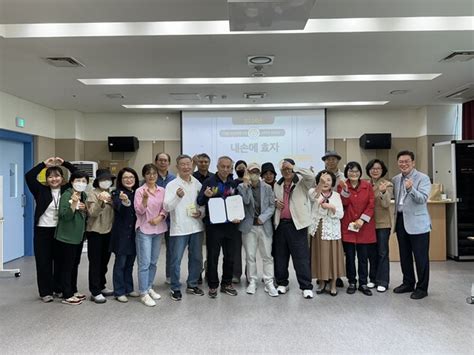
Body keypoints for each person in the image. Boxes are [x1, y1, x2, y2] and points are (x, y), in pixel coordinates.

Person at [25, 157, 77, 303]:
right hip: (43, 231)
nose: (54, 179)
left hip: (61, 230)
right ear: (47, 179)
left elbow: (78, 174)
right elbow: (29, 176)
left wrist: (65, 163)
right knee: (43, 262)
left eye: (57, 176)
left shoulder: (67, 189)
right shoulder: (40, 190)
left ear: (62, 177)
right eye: (50, 176)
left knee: (60, 261)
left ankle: (58, 288)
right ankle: (45, 292)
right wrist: (43, 164)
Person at [197, 156, 241, 298]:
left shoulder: (233, 183)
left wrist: (238, 216)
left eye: (228, 167)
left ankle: (227, 283)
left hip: (231, 226)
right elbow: (200, 201)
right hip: (214, 226)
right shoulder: (209, 182)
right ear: (217, 166)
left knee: (230, 256)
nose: (225, 169)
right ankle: (213, 285)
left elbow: (237, 203)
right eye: (223, 166)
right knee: (213, 256)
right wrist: (205, 195)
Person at [164, 155, 205, 301]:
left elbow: (202, 203)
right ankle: (175, 287)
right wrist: (177, 197)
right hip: (179, 228)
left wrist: (202, 212)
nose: (186, 167)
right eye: (183, 164)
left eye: (188, 164)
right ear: (177, 166)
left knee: (196, 258)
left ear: (192, 165)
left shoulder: (197, 183)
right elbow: (167, 207)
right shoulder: (172, 185)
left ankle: (192, 284)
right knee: (175, 259)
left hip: (196, 226)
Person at [392, 150, 431, 300]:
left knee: (421, 257)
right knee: (405, 255)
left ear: (413, 162)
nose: (404, 164)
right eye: (401, 162)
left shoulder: (423, 178)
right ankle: (408, 283)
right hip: (401, 220)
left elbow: (422, 199)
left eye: (407, 161)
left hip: (418, 223)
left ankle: (422, 288)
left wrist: (410, 189)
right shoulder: (396, 179)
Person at [273, 158, 314, 299]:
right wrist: (274, 202)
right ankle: (282, 283)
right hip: (281, 224)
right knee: (280, 256)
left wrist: (295, 167)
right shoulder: (277, 185)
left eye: (289, 168)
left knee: (301, 257)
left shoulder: (302, 182)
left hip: (297, 225)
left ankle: (306, 286)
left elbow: (312, 176)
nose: (286, 171)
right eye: (284, 169)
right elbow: (274, 199)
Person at [237, 163, 278, 297]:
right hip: (249, 227)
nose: (254, 173)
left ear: (260, 173)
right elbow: (246, 202)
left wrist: (263, 217)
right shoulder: (241, 187)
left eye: (256, 171)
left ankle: (269, 281)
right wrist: (246, 185)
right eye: (251, 171)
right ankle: (252, 281)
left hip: (264, 226)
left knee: (267, 256)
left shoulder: (267, 187)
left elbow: (272, 206)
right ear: (247, 172)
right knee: (250, 256)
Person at [338, 161, 376, 296]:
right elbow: (343, 204)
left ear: (360, 173)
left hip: (364, 226)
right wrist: (345, 192)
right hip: (348, 226)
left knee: (363, 256)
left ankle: (363, 282)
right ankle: (352, 282)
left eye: (356, 171)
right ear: (347, 173)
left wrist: (362, 219)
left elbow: (371, 205)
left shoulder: (367, 185)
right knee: (349, 256)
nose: (353, 174)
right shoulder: (342, 186)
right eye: (351, 171)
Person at [134, 164, 168, 307]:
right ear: (144, 175)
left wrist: (160, 217)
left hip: (158, 229)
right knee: (144, 263)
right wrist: (145, 200)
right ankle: (143, 293)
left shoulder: (162, 190)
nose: (151, 176)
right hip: (144, 230)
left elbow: (165, 208)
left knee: (153, 262)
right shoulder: (140, 191)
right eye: (148, 173)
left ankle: (148, 287)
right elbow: (139, 211)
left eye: (154, 173)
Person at [55, 170, 89, 305]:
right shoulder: (66, 195)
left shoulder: (84, 195)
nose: (81, 183)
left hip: (78, 236)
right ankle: (67, 294)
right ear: (71, 181)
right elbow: (64, 216)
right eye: (78, 180)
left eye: (84, 181)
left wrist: (84, 208)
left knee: (75, 264)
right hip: (66, 237)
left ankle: (73, 290)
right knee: (67, 266)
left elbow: (85, 213)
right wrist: (74, 205)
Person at [309, 170, 345, 296]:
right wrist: (319, 185)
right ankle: (322, 282)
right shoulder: (314, 192)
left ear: (333, 182)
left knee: (332, 257)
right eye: (323, 180)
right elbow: (313, 198)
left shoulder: (336, 195)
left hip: (333, 230)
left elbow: (341, 214)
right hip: (319, 229)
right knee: (320, 256)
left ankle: (333, 283)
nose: (326, 182)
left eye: (328, 180)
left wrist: (331, 207)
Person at [110, 167, 140, 303]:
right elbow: (118, 206)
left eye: (131, 177)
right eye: (125, 178)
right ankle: (119, 291)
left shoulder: (138, 193)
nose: (129, 180)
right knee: (120, 263)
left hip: (135, 234)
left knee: (130, 263)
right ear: (121, 180)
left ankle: (129, 288)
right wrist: (125, 201)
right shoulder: (117, 193)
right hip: (121, 235)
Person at [85, 169, 115, 304]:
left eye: (108, 180)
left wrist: (112, 202)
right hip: (95, 232)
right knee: (95, 262)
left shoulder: (111, 194)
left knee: (104, 261)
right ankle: (95, 291)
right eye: (103, 180)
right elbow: (92, 213)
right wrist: (102, 202)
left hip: (108, 232)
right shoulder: (92, 194)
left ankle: (102, 286)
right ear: (97, 181)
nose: (106, 182)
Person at [366, 159, 393, 293]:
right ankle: (373, 279)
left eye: (378, 168)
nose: (375, 170)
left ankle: (383, 281)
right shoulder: (365, 184)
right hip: (368, 224)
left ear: (382, 170)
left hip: (382, 224)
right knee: (371, 253)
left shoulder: (387, 184)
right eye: (372, 168)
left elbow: (386, 204)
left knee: (382, 252)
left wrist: (383, 192)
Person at [321, 150, 344, 288]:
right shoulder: (321, 176)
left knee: (336, 251)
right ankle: (323, 276)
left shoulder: (343, 177)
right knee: (323, 251)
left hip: (338, 216)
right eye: (328, 159)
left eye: (333, 159)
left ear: (338, 161)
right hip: (322, 217)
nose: (330, 162)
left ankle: (336, 277)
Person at [154, 152, 176, 285]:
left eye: (165, 160)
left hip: (170, 220)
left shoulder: (174, 179)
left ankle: (170, 275)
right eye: (160, 160)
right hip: (153, 220)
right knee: (152, 251)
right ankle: (149, 280)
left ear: (169, 163)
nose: (163, 163)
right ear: (156, 162)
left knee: (172, 250)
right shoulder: (150, 177)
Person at [232, 159, 247, 284]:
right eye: (239, 168)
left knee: (250, 249)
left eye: (243, 167)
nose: (241, 170)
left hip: (248, 220)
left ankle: (249, 274)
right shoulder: (232, 183)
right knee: (236, 249)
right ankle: (236, 274)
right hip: (235, 221)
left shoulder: (252, 182)